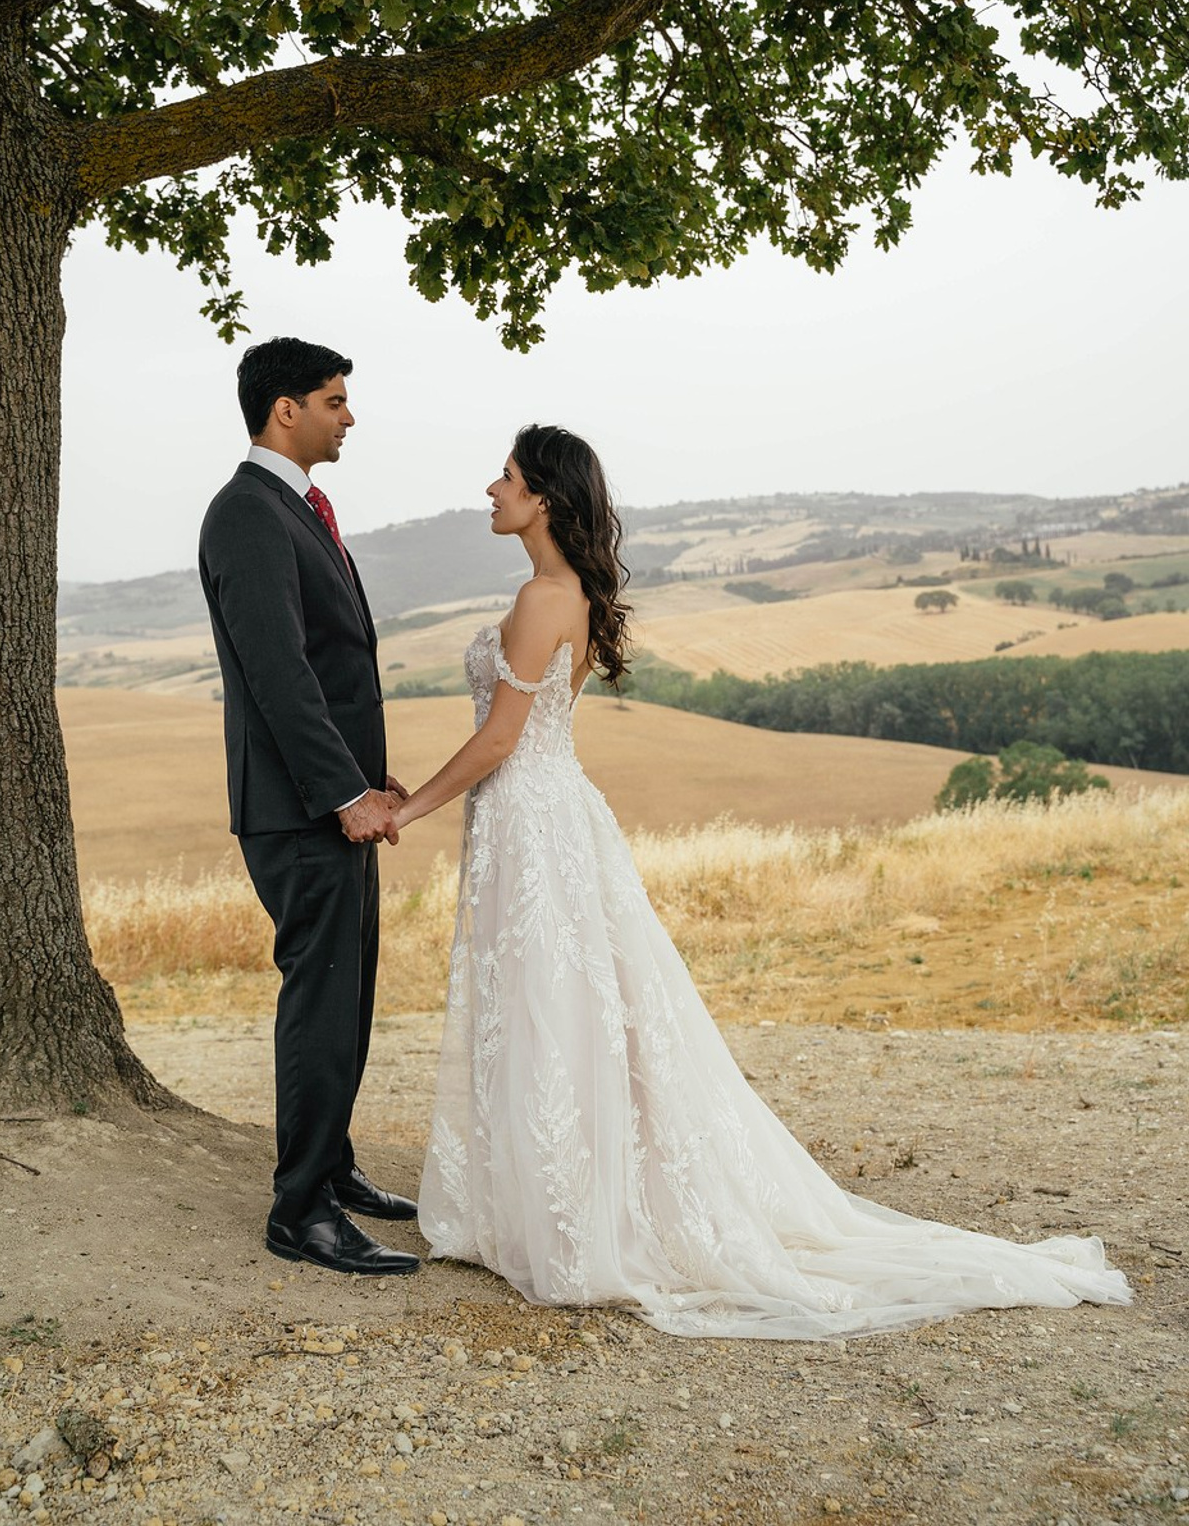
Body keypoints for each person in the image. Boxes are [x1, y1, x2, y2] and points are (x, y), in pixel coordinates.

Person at [392, 425, 1131, 1338]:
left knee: (550, 999)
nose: (491, 489)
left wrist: (406, 809)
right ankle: (545, 1201)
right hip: (537, 819)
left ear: (543, 496)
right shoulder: (561, 592)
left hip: (533, 819)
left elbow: (504, 738)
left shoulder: (544, 595)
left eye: (505, 476)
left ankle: (566, 1215)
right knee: (554, 1001)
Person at [199, 337, 419, 1277]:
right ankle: (300, 1212)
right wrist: (340, 794)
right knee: (321, 1002)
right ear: (283, 409)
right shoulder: (248, 514)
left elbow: (334, 668)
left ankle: (333, 1165)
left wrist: (373, 781)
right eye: (334, 400)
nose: (349, 416)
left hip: (335, 801)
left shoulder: (300, 509)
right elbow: (280, 676)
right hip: (298, 810)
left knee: (351, 995)